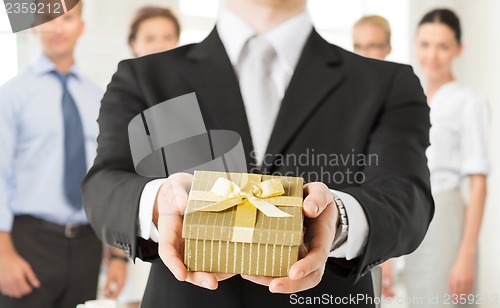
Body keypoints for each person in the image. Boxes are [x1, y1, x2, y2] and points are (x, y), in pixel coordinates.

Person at [82, 0, 434, 307]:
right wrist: (159, 201)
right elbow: (104, 187)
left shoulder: (386, 84)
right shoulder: (144, 78)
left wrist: (339, 219)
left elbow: (408, 200)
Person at [0, 2, 125, 307]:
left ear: (81, 27)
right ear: (33, 26)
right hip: (28, 244)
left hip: (88, 244)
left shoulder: (98, 97)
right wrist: (2, 255)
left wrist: (117, 254)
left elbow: (105, 176)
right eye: (48, 18)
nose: (57, 27)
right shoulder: (11, 95)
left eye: (68, 19)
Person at [401, 9, 490, 307]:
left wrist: (466, 255)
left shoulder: (468, 101)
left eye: (443, 46)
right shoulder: (411, 99)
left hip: (446, 219)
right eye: (425, 44)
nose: (432, 55)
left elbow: (478, 183)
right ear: (415, 44)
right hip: (413, 214)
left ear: (458, 49)